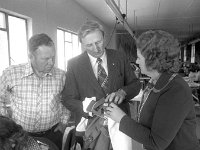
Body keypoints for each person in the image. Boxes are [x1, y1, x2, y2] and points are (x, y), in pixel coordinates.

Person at [106, 30, 200, 150]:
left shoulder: (176, 89)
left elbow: (156, 142)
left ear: (153, 61)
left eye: (139, 57)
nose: (136, 61)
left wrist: (121, 118)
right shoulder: (156, 80)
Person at [61, 20, 141, 149]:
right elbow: (67, 98)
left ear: (104, 37)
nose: (96, 48)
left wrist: (123, 92)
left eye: (98, 42)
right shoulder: (74, 65)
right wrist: (86, 107)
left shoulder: (119, 57)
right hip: (91, 128)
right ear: (82, 44)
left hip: (119, 123)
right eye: (89, 45)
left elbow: (135, 85)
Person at [0, 33, 71, 150]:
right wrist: (7, 127)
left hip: (53, 134)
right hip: (20, 136)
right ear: (31, 56)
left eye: (53, 57)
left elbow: (66, 100)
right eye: (46, 59)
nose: (51, 62)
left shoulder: (61, 75)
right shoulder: (11, 73)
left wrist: (64, 122)